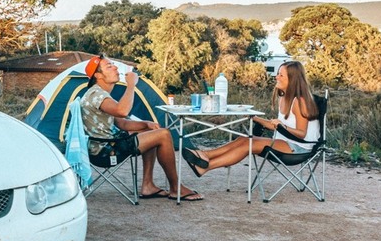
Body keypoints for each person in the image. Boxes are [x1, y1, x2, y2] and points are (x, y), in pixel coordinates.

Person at [80, 55, 203, 201]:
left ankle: (148, 186)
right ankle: (176, 188)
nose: (115, 68)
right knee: (163, 134)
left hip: (106, 145)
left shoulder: (100, 94)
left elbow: (122, 123)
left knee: (150, 131)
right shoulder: (96, 94)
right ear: (98, 75)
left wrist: (146, 124)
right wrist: (131, 85)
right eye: (109, 66)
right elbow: (122, 111)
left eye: (114, 64)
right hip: (106, 151)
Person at [182, 60, 320, 176]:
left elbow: (301, 134)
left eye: (281, 75)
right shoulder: (284, 97)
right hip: (285, 141)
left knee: (249, 144)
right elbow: (278, 126)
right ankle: (204, 154)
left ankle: (206, 166)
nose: (277, 77)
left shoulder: (300, 101)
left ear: (292, 79)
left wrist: (281, 126)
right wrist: (253, 117)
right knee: (243, 139)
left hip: (299, 148)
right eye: (278, 74)